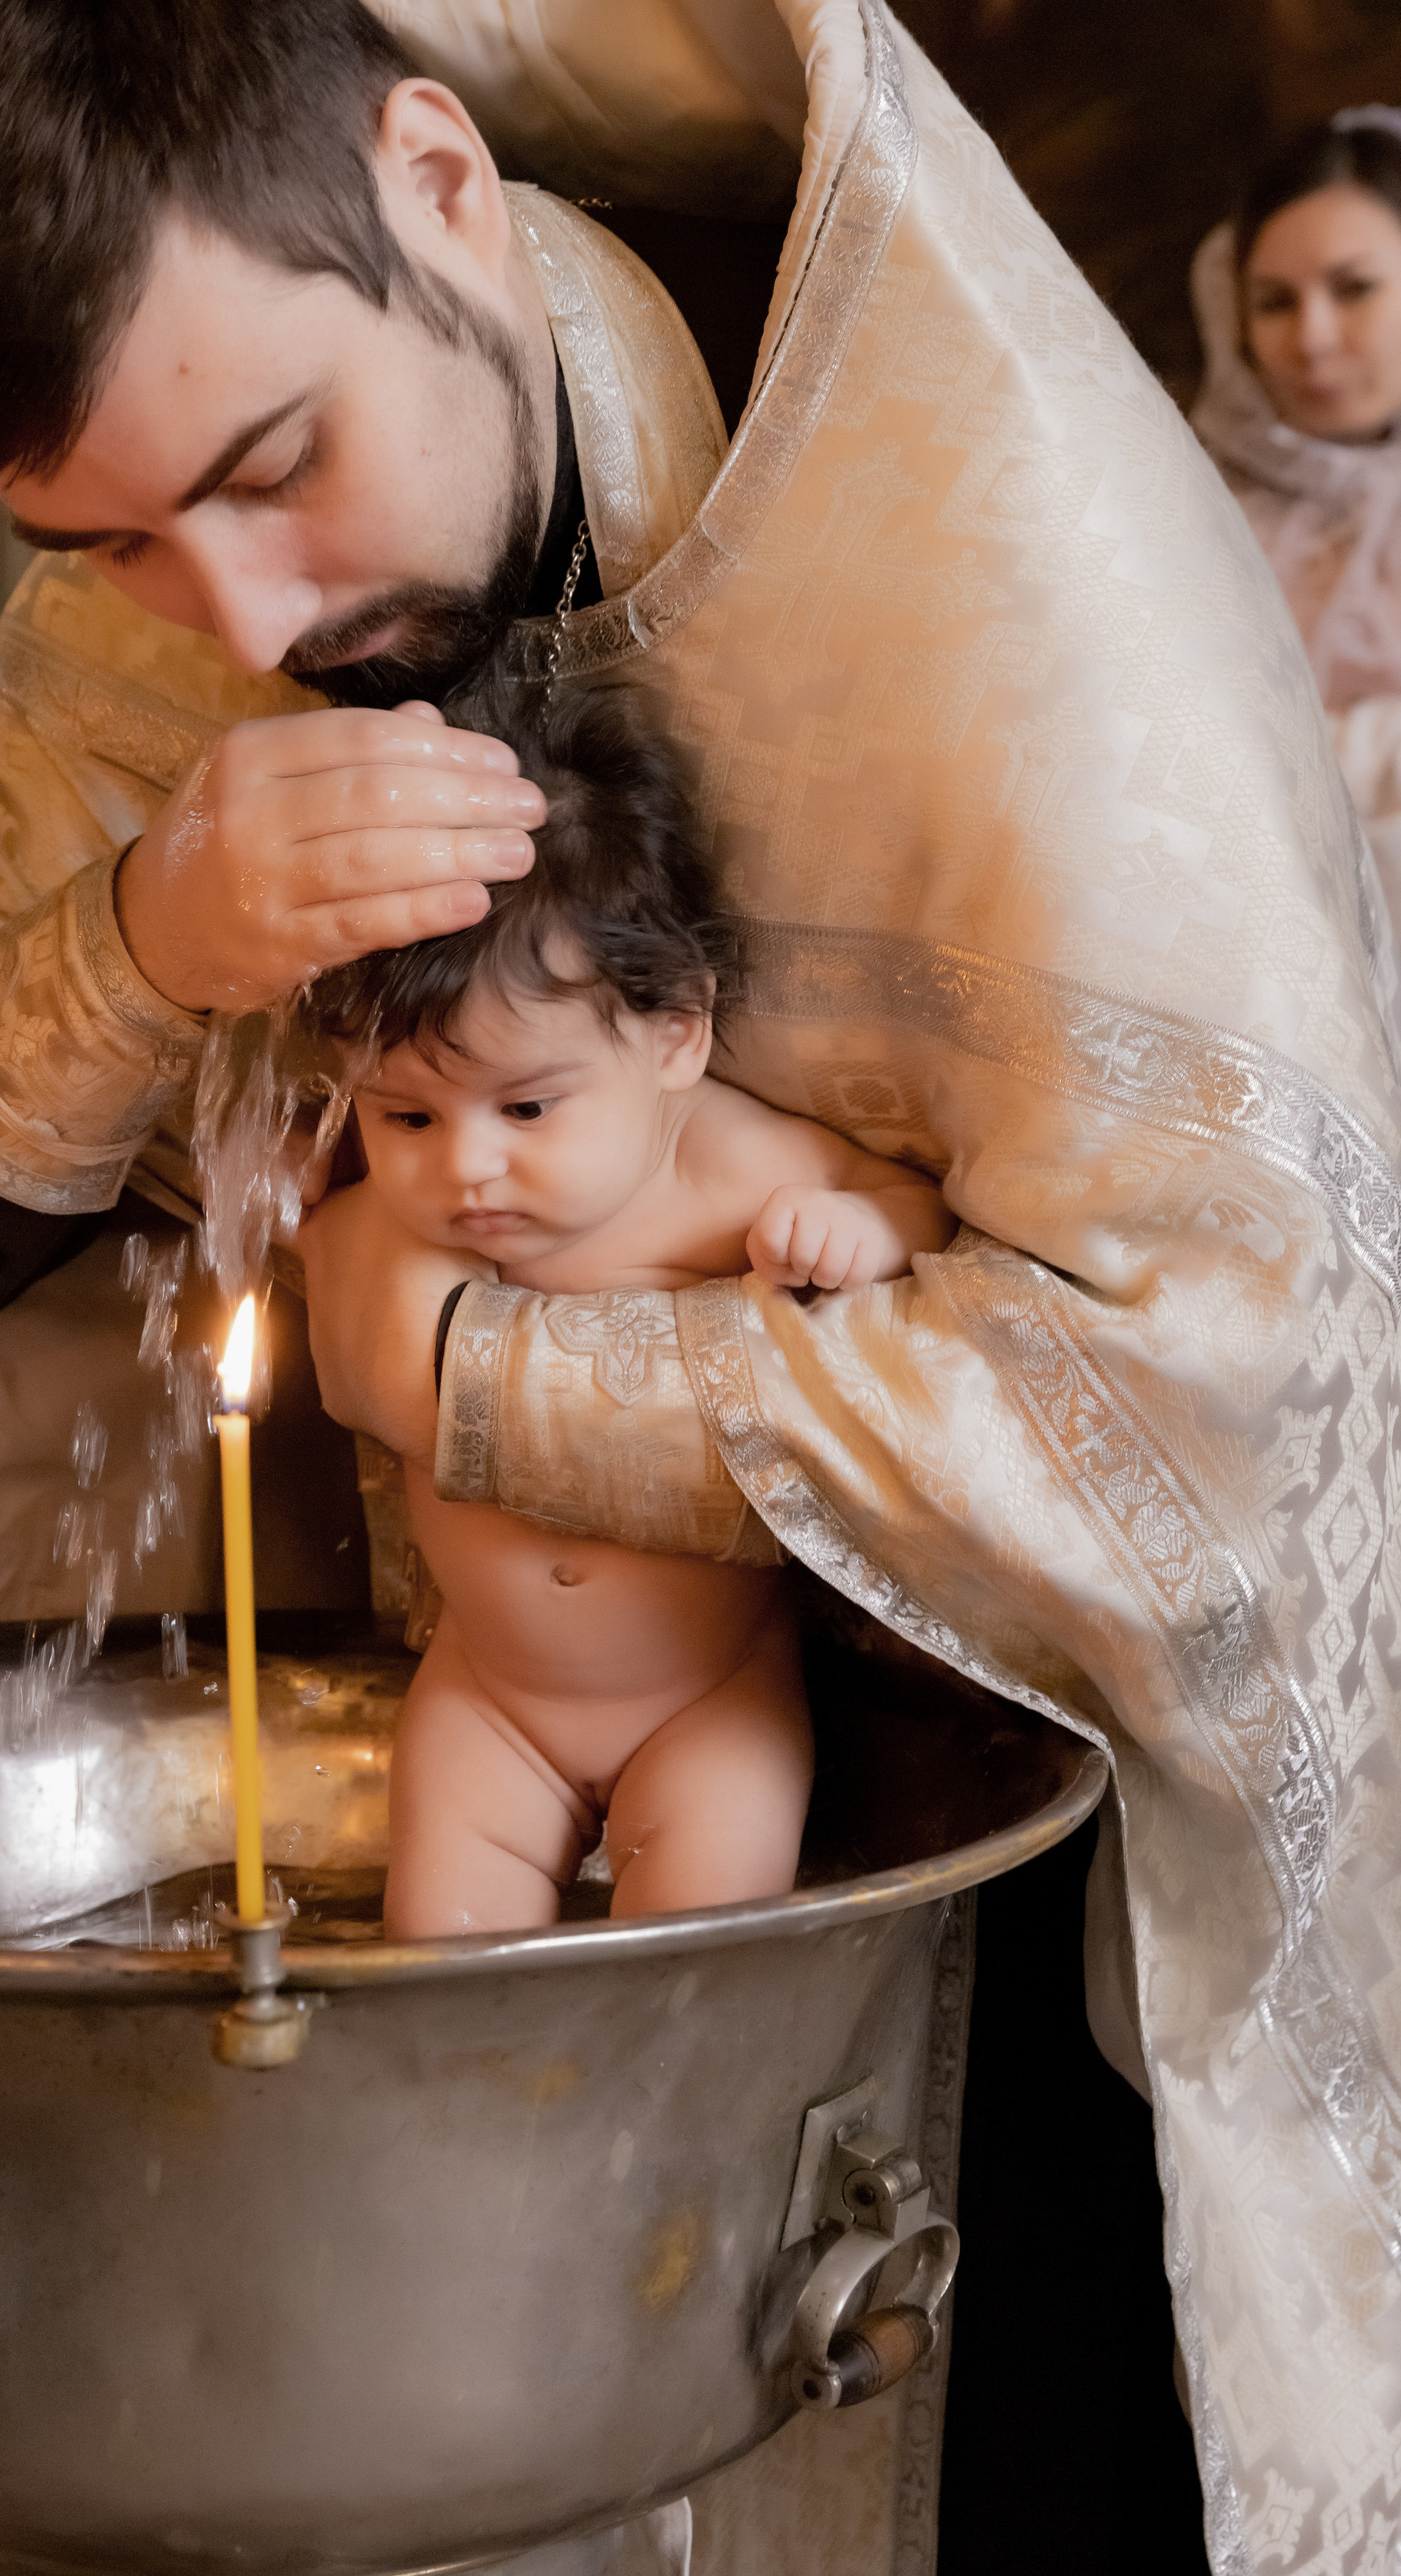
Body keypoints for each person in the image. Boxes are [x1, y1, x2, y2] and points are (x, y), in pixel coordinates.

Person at [0, 0, 1401, 2576]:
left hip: (1047, 1901)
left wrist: (462, 1372)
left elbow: (1230, 1413)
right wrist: (144, 942)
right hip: (508, 1805)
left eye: (271, 467)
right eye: (115, 550)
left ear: (438, 184)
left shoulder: (1015, 551)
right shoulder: (180, 598)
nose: (249, 623)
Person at [297, 682, 953, 1937]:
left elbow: (910, 1205)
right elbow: (316, 1234)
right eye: (407, 1115)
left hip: (708, 1703)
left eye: (527, 1108)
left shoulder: (723, 1171)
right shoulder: (405, 1209)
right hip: (489, 1695)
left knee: (687, 1972)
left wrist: (863, 1232)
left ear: (674, 1037)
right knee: (442, 1968)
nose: (467, 1168)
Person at [1190, 107, 1401, 1214]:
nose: (1311, 338)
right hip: (1284, 1009)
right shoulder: (1196, 515)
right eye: (1275, 303)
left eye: (1354, 288)